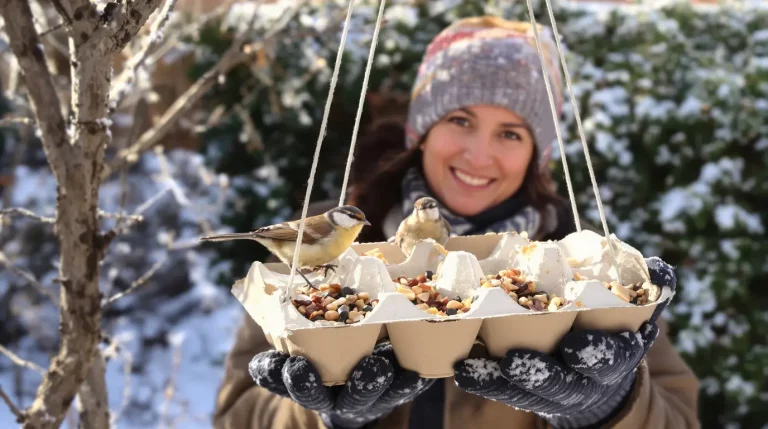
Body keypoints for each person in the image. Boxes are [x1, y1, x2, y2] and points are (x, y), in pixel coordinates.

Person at [213, 16, 699, 429]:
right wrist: (324, 414)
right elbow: (238, 414)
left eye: (510, 133)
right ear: (422, 132)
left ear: (535, 156)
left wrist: (605, 408)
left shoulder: (582, 271)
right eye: (460, 120)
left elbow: (678, 416)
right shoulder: (338, 255)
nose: (478, 154)